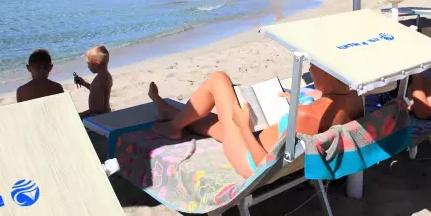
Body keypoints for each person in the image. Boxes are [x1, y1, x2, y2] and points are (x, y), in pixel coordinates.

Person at [149, 64, 364, 178]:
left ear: (328, 73)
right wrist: (298, 102)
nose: (309, 69)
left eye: (313, 65)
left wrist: (244, 126)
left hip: (252, 161)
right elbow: (322, 116)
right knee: (220, 124)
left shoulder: (305, 115)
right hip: (277, 147)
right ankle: (170, 113)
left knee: (218, 80)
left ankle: (173, 127)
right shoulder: (355, 100)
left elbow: (265, 166)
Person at [75, 45, 113, 117]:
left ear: (95, 64)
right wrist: (84, 83)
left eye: (88, 64)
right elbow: (95, 91)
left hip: (99, 116)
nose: (88, 67)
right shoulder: (106, 76)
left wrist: (82, 114)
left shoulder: (100, 80)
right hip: (104, 113)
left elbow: (98, 108)